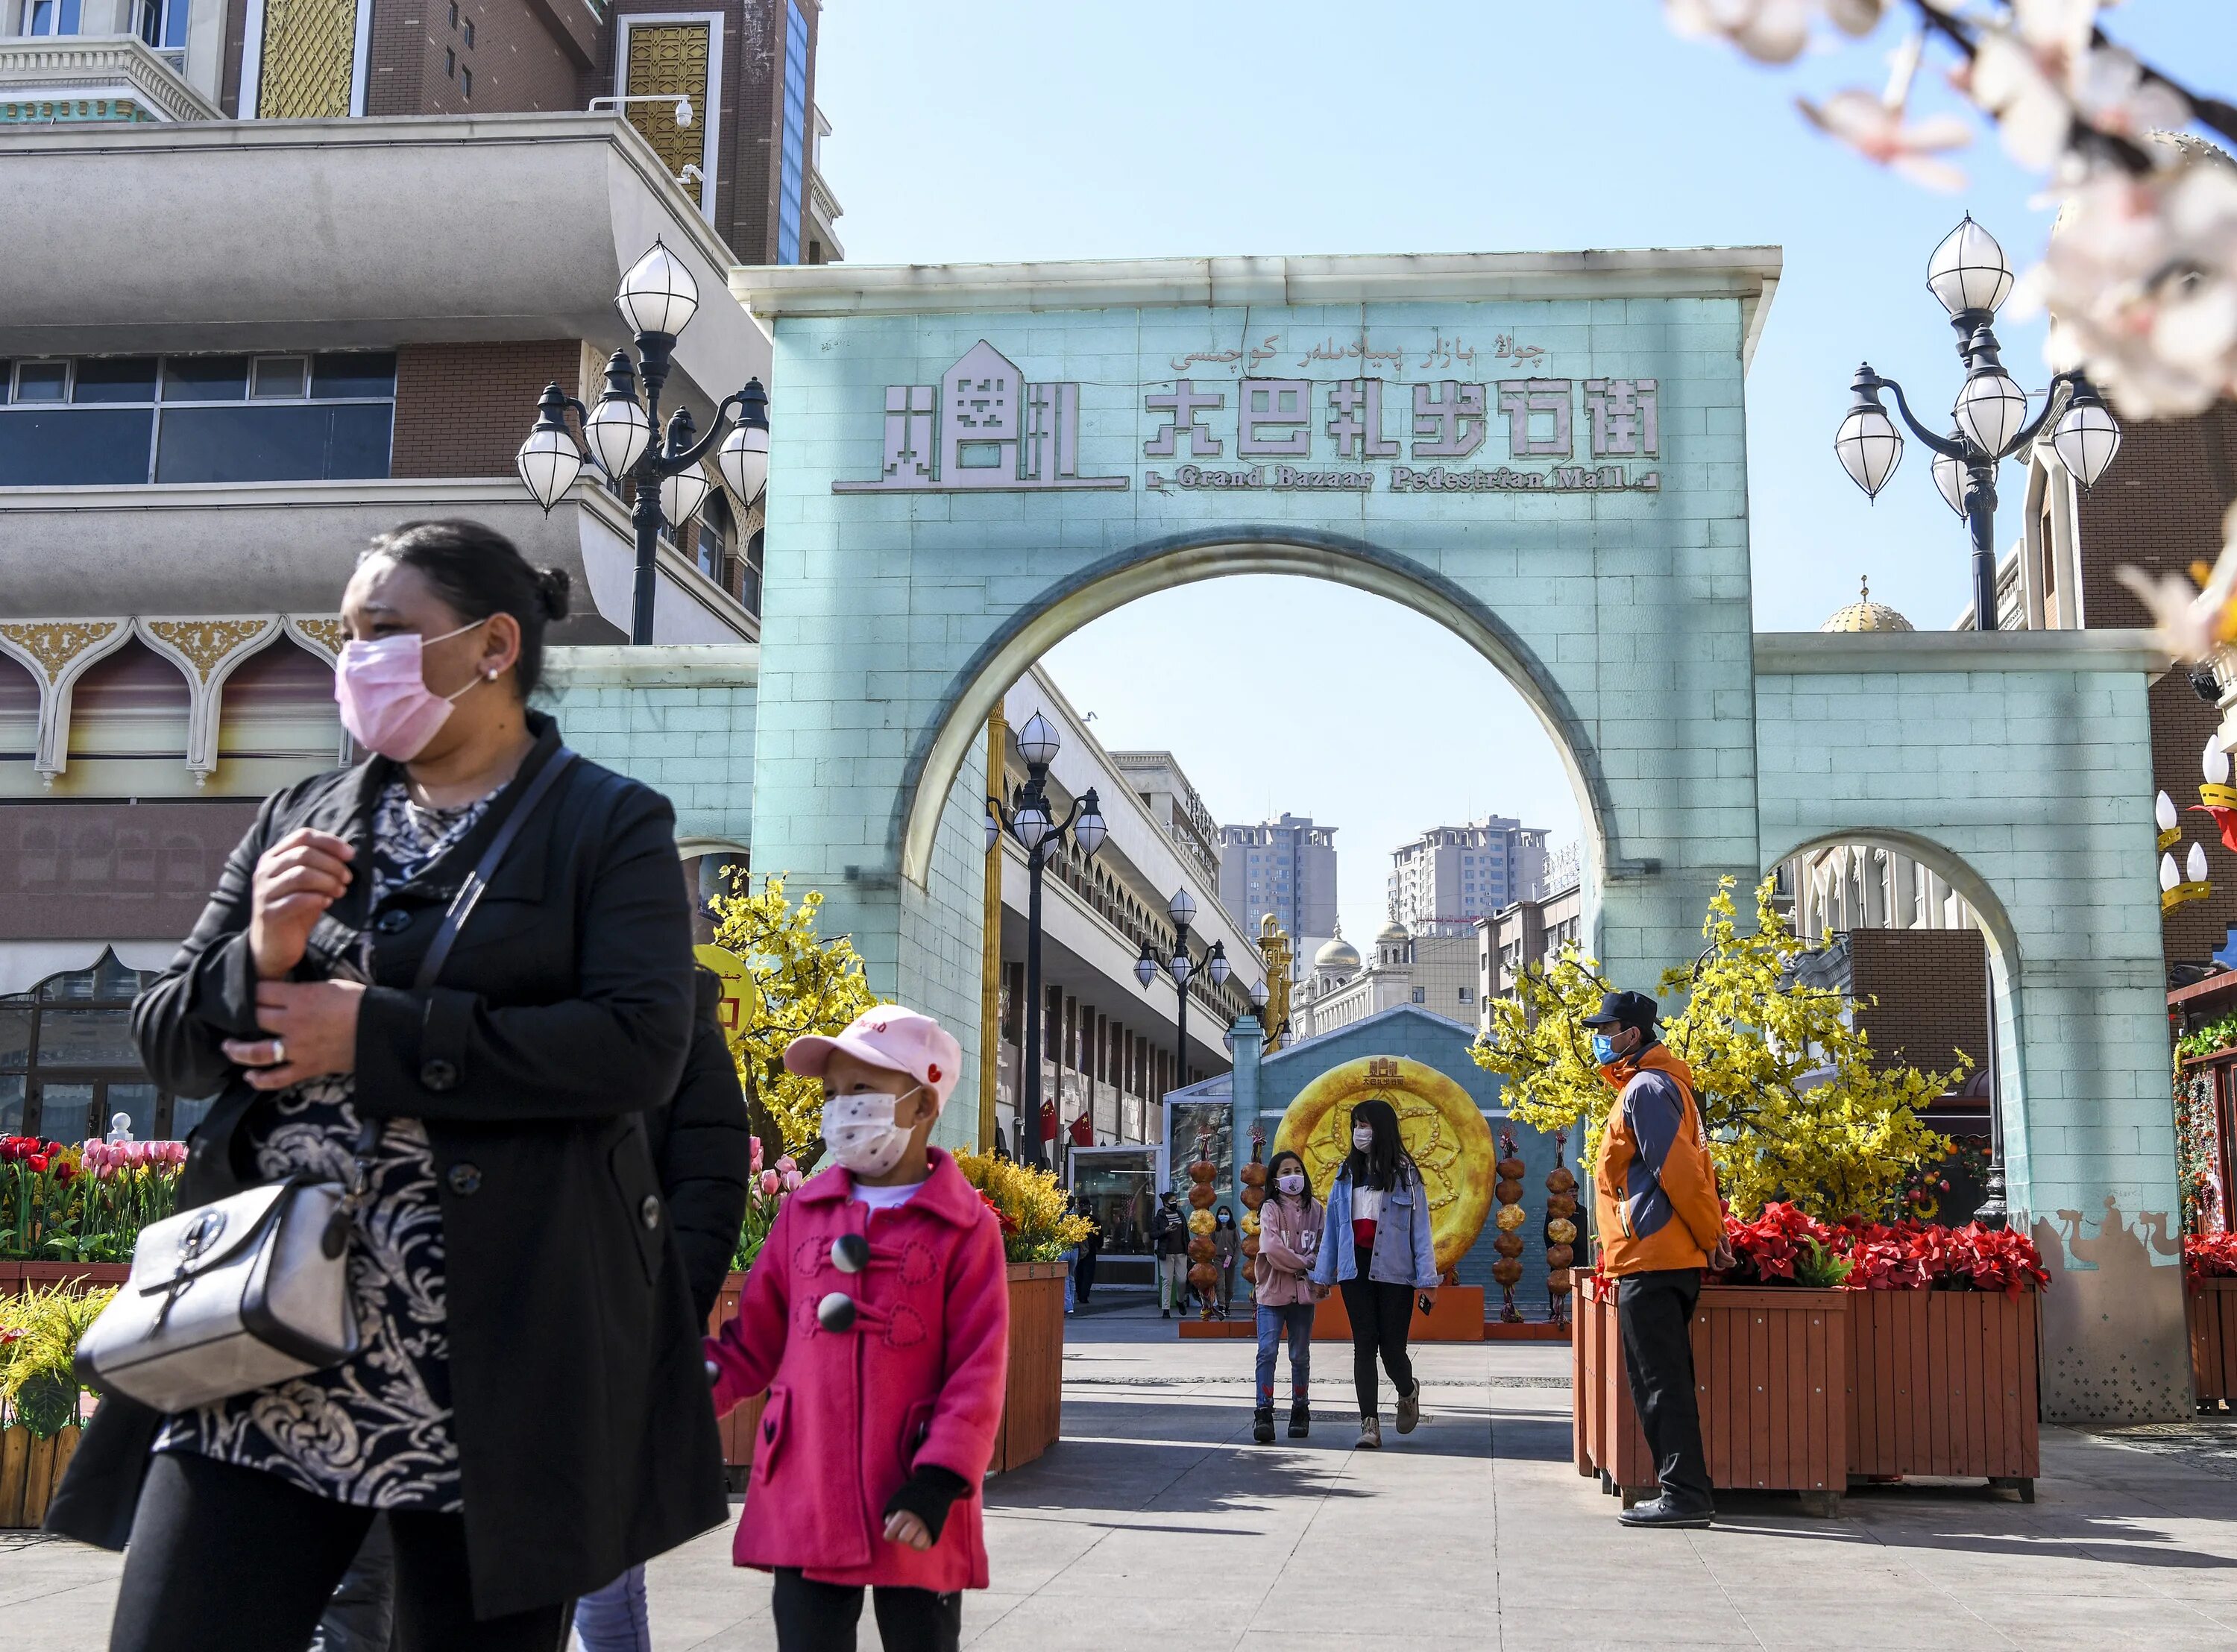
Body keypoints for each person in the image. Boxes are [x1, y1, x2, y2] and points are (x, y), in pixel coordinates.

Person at [50, 520, 728, 1651]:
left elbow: (636, 1049)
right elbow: (165, 1039)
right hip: (259, 1347)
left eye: (385, 632)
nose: (353, 659)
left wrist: (376, 1036)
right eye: (345, 633)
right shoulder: (299, 816)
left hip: (493, 1371)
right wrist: (257, 953)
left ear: (493, 645)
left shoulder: (608, 825)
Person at [312, 962, 753, 1652]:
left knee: (564, 1583)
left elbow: (708, 1184)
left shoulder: (668, 1005)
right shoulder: (428, 967)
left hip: (570, 1345)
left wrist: (649, 1321)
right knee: (362, 1576)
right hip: (390, 1334)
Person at [705, 1006, 1008, 1652]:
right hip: (809, 1480)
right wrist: (681, 1393)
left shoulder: (966, 1229)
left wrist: (941, 1481)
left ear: (922, 1104)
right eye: (833, 1094)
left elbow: (977, 1373)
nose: (841, 1109)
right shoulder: (803, 1214)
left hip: (915, 1486)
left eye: (861, 1091)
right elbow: (752, 1340)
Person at [1585, 989, 1729, 1529]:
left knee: (1660, 1382)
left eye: (1608, 1028)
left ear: (1634, 1034)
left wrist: (1711, 1235)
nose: (1599, 1038)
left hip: (1654, 1257)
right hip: (1659, 1255)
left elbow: (1682, 1174)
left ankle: (1685, 1495)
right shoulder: (1660, 1085)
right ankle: (1685, 1491)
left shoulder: (1645, 1090)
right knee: (1662, 1379)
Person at [1309, 1097, 1438, 1449]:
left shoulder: (1406, 1174)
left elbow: (1420, 1230)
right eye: (1355, 1126)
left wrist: (1428, 1281)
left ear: (1381, 1129)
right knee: (1363, 1344)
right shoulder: (1344, 1174)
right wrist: (1323, 1276)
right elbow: (1335, 1228)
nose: (1359, 1133)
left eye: (1365, 1125)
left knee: (1392, 1349)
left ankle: (1408, 1391)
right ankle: (1369, 1425)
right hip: (1356, 1270)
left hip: (1395, 1271)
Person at [1250, 1150, 1325, 1443]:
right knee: (1267, 1352)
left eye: (1297, 1170)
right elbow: (1271, 1249)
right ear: (1275, 1178)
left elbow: (1324, 1246)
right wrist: (1305, 1262)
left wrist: (1311, 1261)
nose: (1292, 1176)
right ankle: (1263, 1412)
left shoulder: (1316, 1209)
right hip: (1271, 1293)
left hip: (1303, 1296)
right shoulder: (1269, 1209)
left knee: (1300, 1355)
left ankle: (1300, 1409)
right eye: (1285, 1172)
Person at [1151, 1189, 1191, 1319]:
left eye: (1176, 1200)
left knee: (1182, 1280)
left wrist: (1189, 1248)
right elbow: (1153, 1234)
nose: (1175, 1203)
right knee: (1167, 1281)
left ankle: (1180, 1300)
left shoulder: (1180, 1215)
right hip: (1166, 1253)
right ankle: (1166, 1309)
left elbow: (1185, 1233)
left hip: (1181, 1252)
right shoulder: (1160, 1217)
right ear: (1166, 1204)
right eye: (1172, 1201)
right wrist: (1165, 1230)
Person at [1212, 1205, 1241, 1317]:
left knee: (1229, 1285)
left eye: (1226, 1214)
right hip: (1218, 1259)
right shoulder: (1215, 1229)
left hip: (1230, 1259)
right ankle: (1221, 1306)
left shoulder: (1233, 1229)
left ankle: (1227, 1305)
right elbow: (1211, 1243)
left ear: (1230, 1216)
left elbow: (1238, 1245)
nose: (1223, 1216)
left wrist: (1235, 1259)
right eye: (1221, 1214)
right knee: (1221, 1284)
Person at [1073, 1197, 1101, 1308]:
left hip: (1078, 1250)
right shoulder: (1094, 1220)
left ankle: (1079, 1293)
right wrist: (1098, 1246)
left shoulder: (1076, 1219)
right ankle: (1084, 1296)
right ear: (1088, 1206)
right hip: (1091, 1250)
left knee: (1078, 1273)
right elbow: (1100, 1237)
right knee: (1088, 1274)